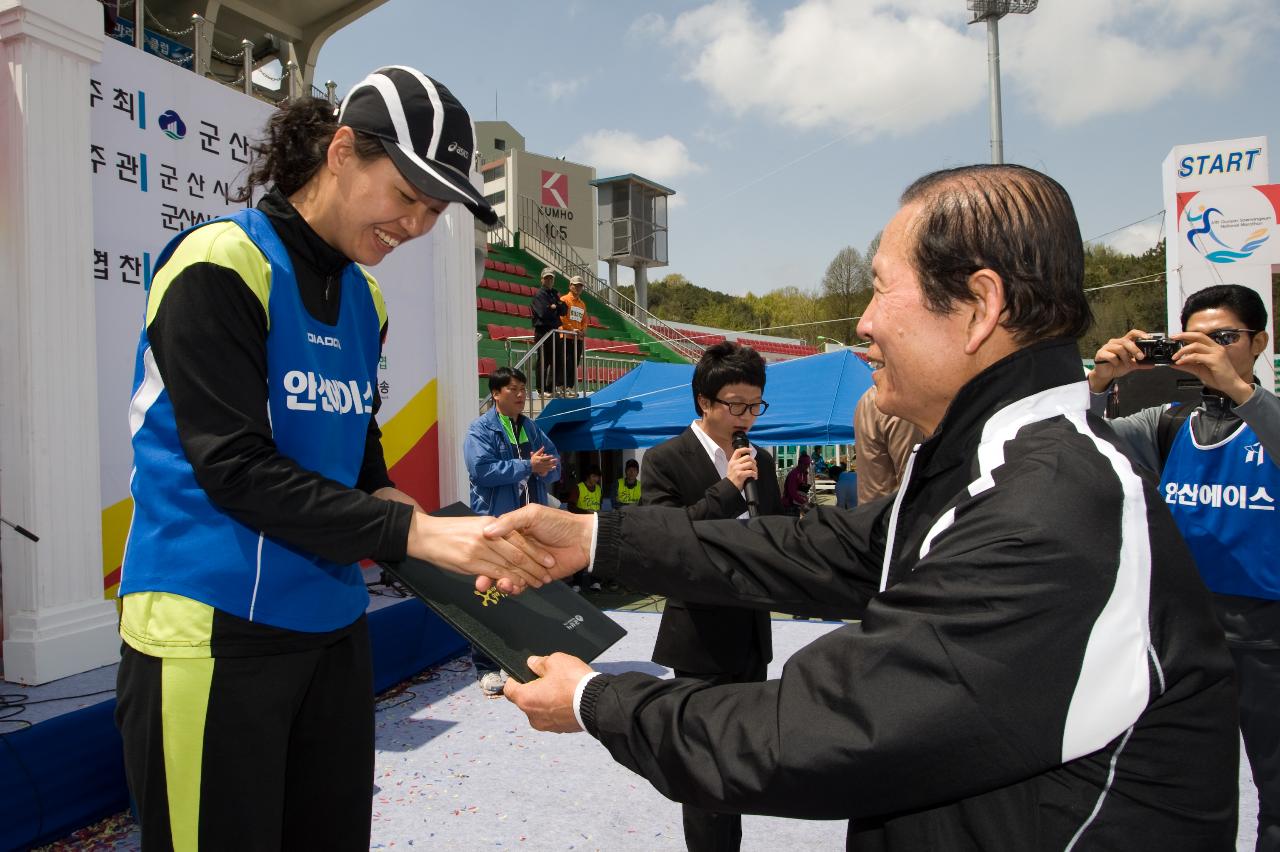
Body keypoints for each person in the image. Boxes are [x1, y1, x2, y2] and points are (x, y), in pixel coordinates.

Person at [490, 164, 1240, 849]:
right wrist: (595, 538)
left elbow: (820, 731)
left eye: (882, 287)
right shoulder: (992, 462)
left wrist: (596, 701)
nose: (863, 324)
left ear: (979, 305)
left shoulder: (1048, 508)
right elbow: (819, 547)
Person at [114, 67, 551, 850]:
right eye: (406, 196)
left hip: (332, 625)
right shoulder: (220, 261)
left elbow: (360, 463)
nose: (416, 225)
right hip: (210, 626)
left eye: (434, 209)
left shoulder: (365, 299)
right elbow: (237, 470)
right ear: (342, 151)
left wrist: (449, 534)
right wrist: (415, 536)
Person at [1088, 282, 1280, 850]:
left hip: (1268, 639)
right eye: (1198, 339)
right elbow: (1085, 446)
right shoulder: (1168, 424)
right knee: (1173, 788)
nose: (1213, 351)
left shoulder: (1266, 419)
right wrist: (1098, 387)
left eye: (1227, 338)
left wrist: (1240, 392)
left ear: (1259, 342)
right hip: (1183, 636)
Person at [638, 340, 782, 851]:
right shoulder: (664, 460)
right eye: (736, 405)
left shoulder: (761, 460)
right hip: (698, 639)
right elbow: (664, 541)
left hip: (751, 636)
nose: (747, 416)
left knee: (739, 764)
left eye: (755, 406)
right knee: (701, 770)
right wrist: (726, 489)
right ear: (704, 401)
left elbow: (774, 537)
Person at [464, 366, 561, 695]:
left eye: (523, 388)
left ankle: (523, 660)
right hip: (495, 525)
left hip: (530, 527)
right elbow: (481, 471)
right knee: (490, 597)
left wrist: (546, 468)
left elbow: (554, 461)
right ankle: (486, 668)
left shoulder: (530, 427)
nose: (521, 395)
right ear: (496, 394)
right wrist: (527, 466)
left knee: (528, 595)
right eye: (514, 389)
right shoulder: (480, 429)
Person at [853, 384, 925, 504]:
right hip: (890, 513)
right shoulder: (898, 400)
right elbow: (911, 479)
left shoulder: (869, 397)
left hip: (872, 510)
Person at [530, 269, 568, 397]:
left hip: (554, 331)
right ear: (542, 279)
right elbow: (543, 313)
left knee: (556, 360)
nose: (549, 280)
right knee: (543, 361)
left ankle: (550, 388)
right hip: (543, 331)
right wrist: (556, 307)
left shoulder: (554, 294)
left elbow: (564, 310)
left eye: (551, 278)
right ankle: (541, 390)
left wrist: (554, 306)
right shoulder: (539, 295)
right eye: (546, 278)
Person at [568, 465, 603, 591]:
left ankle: (595, 581)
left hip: (595, 525)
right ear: (588, 476)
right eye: (594, 476)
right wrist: (585, 512)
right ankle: (577, 583)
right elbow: (571, 507)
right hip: (580, 526)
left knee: (596, 553)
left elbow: (600, 505)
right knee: (580, 554)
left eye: (598, 477)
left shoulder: (599, 489)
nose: (597, 479)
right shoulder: (578, 488)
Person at [559, 275, 589, 396]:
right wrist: (572, 329)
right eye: (575, 285)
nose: (578, 288)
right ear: (570, 285)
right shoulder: (564, 299)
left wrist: (582, 330)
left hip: (578, 338)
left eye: (580, 286)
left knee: (574, 363)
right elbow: (562, 317)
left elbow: (585, 320)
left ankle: (569, 387)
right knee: (566, 362)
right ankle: (562, 386)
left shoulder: (582, 304)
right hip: (566, 336)